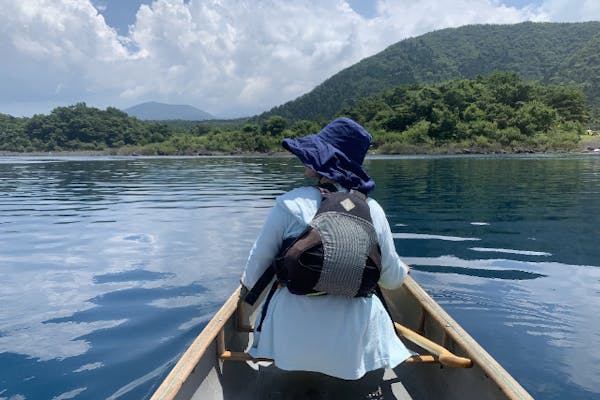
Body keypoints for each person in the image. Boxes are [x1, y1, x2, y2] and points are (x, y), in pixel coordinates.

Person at [240, 117, 411, 380]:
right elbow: (391, 280)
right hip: (354, 349)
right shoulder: (373, 210)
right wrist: (403, 270)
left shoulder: (290, 204)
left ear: (321, 161)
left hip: (288, 344)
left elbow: (254, 277)